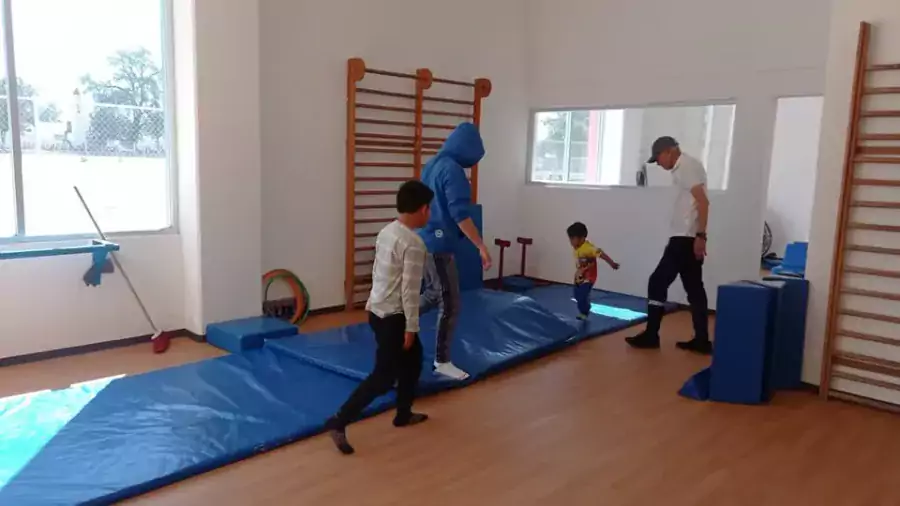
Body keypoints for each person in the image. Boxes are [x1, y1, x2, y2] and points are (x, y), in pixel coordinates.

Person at [326, 180, 434, 455]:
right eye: (429, 209)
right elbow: (410, 291)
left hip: (377, 311)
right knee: (383, 377)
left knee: (412, 362)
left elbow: (381, 275)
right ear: (422, 209)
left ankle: (403, 414)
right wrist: (411, 327)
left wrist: (372, 305)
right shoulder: (414, 243)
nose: (429, 213)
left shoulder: (386, 231)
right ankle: (339, 421)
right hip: (394, 317)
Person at [419, 122, 492, 381]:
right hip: (438, 245)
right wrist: (480, 246)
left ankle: (395, 318)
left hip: (424, 240)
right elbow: (460, 214)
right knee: (449, 302)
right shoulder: (451, 170)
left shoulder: (432, 165)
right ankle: (442, 360)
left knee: (433, 292)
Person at [626, 136, 712, 354]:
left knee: (657, 282)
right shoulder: (685, 167)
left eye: (659, 159)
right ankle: (701, 340)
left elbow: (703, 202)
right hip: (687, 237)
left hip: (684, 238)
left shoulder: (687, 166)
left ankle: (651, 335)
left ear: (669, 151)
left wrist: (701, 236)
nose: (660, 164)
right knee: (694, 289)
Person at [567, 222, 620, 319]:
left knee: (582, 295)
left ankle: (585, 312)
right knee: (577, 295)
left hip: (589, 278)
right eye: (570, 239)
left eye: (573, 239)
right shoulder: (576, 248)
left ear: (582, 238)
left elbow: (602, 254)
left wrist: (612, 263)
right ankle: (585, 306)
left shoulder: (588, 248)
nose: (571, 242)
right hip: (579, 277)